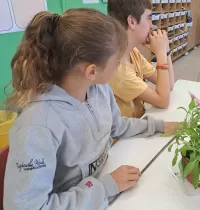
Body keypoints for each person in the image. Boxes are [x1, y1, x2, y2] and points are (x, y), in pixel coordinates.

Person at [3, 8, 179, 210]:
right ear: (92, 71)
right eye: (117, 62)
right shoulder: (36, 126)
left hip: (103, 185)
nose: (120, 66)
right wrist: (104, 188)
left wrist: (160, 126)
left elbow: (117, 125)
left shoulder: (98, 88)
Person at [107, 0, 174, 118]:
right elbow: (163, 101)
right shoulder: (117, 67)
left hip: (139, 123)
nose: (152, 25)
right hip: (126, 135)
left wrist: (166, 51)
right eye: (148, 18)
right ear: (132, 21)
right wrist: (161, 55)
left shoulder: (133, 51)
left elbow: (169, 85)